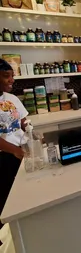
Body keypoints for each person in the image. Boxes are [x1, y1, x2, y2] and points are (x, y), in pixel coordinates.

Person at [0, 59, 28, 231]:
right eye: (6, 76)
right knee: (5, 199)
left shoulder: (11, 98)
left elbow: (23, 121)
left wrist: (32, 133)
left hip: (20, 151)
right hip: (4, 156)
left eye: (12, 76)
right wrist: (16, 151)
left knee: (21, 196)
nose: (11, 80)